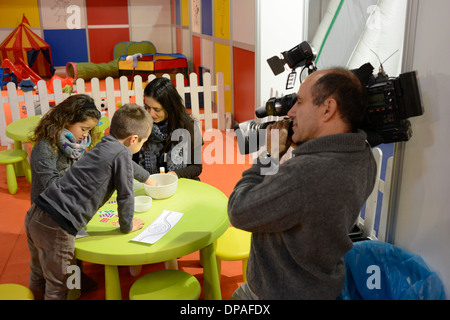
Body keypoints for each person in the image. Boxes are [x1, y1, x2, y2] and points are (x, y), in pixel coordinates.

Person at [228, 68, 378, 300]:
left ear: (328, 109)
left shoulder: (305, 174)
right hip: (322, 285)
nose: (290, 111)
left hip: (276, 292)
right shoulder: (363, 154)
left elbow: (238, 210)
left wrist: (269, 156)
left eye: (299, 102)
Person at [25, 103, 153, 300]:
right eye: (142, 142)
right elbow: (125, 195)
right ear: (133, 139)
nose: (141, 146)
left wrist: (147, 178)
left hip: (36, 212)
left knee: (38, 273)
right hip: (58, 225)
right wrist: (127, 226)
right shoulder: (123, 153)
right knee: (58, 287)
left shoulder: (106, 143)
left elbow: (128, 170)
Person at [133, 77, 202, 180]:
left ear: (170, 107)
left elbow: (196, 167)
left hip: (181, 183)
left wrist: (175, 174)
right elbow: (131, 164)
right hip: (149, 184)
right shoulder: (139, 125)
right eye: (147, 107)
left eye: (157, 109)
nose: (150, 113)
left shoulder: (189, 127)